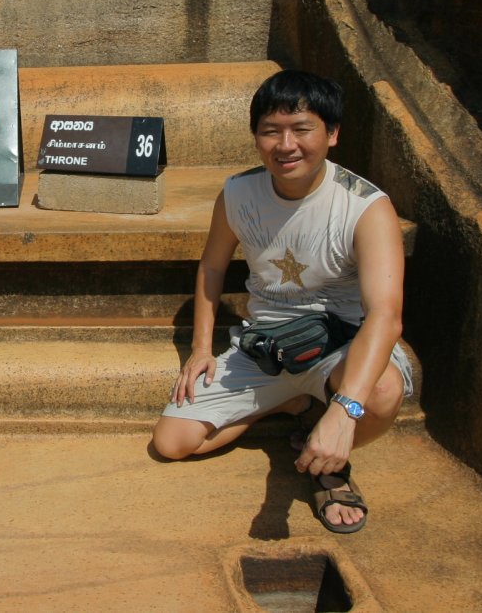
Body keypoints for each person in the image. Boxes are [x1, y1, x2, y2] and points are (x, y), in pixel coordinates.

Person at [151, 70, 412, 534]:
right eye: (271, 131)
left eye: (301, 129)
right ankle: (288, 403)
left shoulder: (366, 207)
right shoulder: (238, 193)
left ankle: (331, 469)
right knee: (172, 442)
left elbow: (385, 317)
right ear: (256, 137)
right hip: (266, 342)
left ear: (331, 134)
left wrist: (344, 411)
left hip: (342, 344)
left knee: (383, 391)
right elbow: (212, 268)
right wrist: (202, 348)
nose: (285, 145)